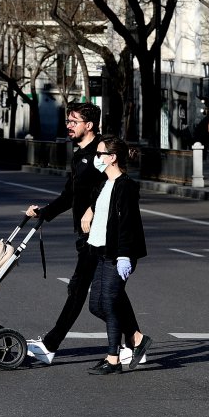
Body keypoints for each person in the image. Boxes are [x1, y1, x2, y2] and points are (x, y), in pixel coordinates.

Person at [23, 102, 103, 365]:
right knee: (108, 293)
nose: (68, 126)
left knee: (79, 288)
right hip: (84, 234)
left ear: (88, 126)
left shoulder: (101, 152)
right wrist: (44, 212)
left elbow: (113, 185)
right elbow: (69, 195)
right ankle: (135, 340)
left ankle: (50, 344)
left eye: (73, 121)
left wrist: (92, 209)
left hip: (100, 234)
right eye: (68, 121)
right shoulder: (78, 154)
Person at [80, 135, 152, 374]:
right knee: (96, 305)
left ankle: (113, 359)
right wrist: (88, 213)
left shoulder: (126, 186)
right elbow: (98, 205)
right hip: (99, 251)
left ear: (112, 158)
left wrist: (124, 255)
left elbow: (128, 224)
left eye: (99, 154)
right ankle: (137, 338)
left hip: (117, 254)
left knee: (109, 303)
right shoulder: (102, 184)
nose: (95, 158)